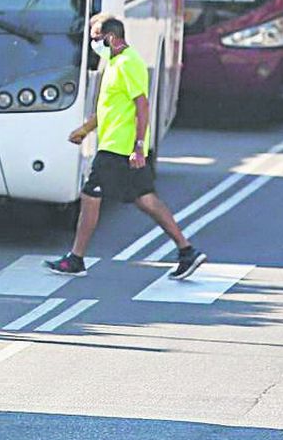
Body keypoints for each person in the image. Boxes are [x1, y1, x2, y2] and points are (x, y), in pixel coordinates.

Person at [45, 17, 207, 280]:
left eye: (96, 38)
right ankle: (187, 251)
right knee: (146, 200)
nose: (93, 43)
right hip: (116, 144)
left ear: (110, 38)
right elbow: (111, 107)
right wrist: (86, 130)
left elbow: (142, 106)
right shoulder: (113, 62)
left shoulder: (128, 64)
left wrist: (139, 146)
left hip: (120, 148)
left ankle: (76, 258)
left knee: (90, 196)